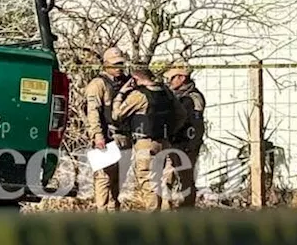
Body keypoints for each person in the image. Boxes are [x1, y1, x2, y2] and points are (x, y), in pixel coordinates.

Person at [113, 66, 187, 211]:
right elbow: (181, 114)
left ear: (135, 79)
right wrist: (170, 131)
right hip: (164, 142)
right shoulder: (166, 92)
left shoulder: (139, 95)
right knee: (163, 182)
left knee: (148, 182)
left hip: (145, 143)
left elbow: (117, 115)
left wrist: (121, 93)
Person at [84, 47, 129, 211]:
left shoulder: (126, 82)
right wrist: (97, 135)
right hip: (105, 138)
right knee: (104, 179)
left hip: (123, 138)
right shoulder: (98, 84)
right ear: (106, 64)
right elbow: (93, 112)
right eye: (116, 64)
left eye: (121, 64)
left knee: (118, 180)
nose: (120, 68)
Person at [164, 64, 206, 209]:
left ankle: (186, 210)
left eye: (172, 78)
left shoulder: (193, 98)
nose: (169, 82)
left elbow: (195, 124)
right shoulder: (174, 96)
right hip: (172, 143)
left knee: (185, 180)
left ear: (181, 78)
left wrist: (191, 145)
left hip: (186, 144)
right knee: (167, 179)